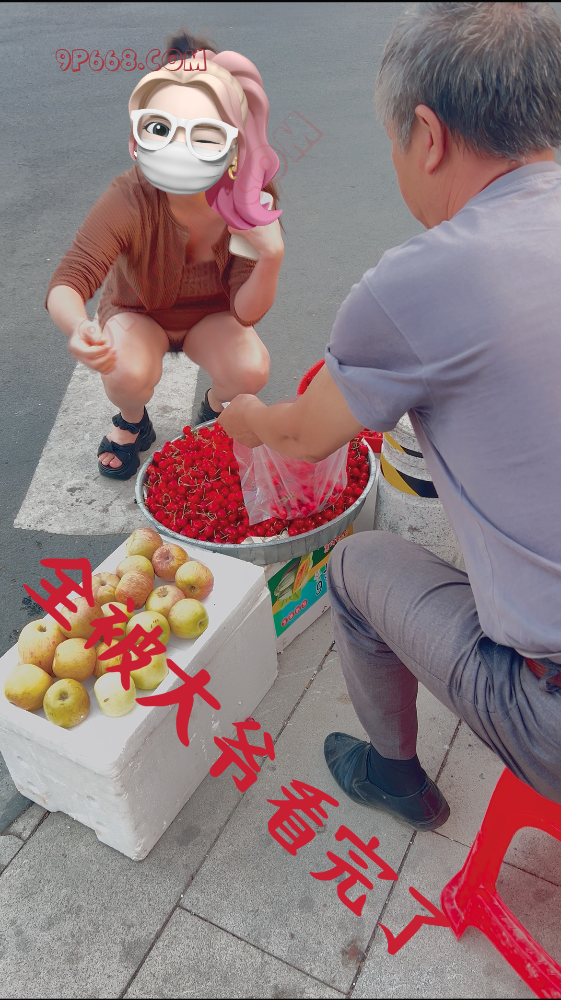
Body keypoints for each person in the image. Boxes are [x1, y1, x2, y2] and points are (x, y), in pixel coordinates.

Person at [219, 1, 561, 830]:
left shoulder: (425, 278)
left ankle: (393, 777)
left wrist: (247, 418)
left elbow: (304, 436)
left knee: (355, 565)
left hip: (549, 713)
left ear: (427, 135)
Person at [46, 31, 283, 480]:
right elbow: (71, 279)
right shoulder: (130, 195)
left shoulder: (249, 198)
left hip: (212, 317)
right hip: (138, 313)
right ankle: (133, 421)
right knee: (124, 372)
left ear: (234, 141)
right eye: (164, 127)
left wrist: (271, 259)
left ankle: (214, 408)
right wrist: (78, 326)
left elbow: (246, 312)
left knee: (251, 370)